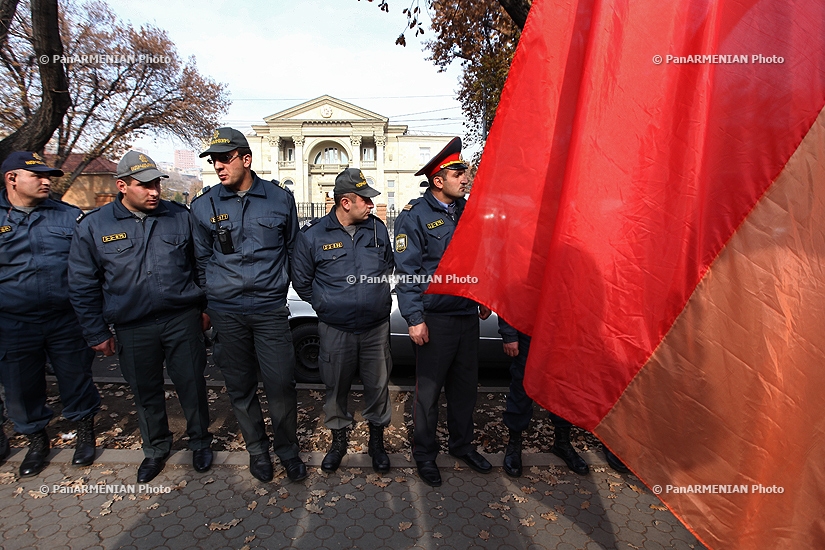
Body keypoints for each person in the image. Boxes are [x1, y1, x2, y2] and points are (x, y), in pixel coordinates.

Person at [68, 151, 212, 483]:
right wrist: (96, 332)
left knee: (192, 385)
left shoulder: (179, 216)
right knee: (145, 391)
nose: (154, 192)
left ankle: (201, 442)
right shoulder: (95, 226)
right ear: (122, 186)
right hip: (133, 326)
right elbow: (82, 283)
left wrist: (206, 309)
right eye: (143, 185)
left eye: (156, 184)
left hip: (181, 320)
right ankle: (156, 450)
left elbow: (201, 266)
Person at [190, 127, 306, 483]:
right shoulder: (203, 205)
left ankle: (287, 450)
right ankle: (258, 450)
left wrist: (279, 288)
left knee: (281, 384)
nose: (218, 166)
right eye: (213, 160)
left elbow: (292, 249)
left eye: (225, 158)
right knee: (240, 387)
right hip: (227, 313)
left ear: (246, 159)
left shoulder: (279, 199)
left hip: (269, 310)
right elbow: (200, 261)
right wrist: (214, 299)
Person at [393, 137, 492, 487]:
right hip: (434, 318)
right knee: (429, 392)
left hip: (465, 314)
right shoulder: (414, 216)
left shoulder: (468, 211)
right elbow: (407, 271)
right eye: (458, 171)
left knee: (465, 388)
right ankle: (424, 453)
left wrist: (480, 295)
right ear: (439, 180)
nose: (465, 177)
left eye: (465, 170)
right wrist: (414, 318)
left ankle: (462, 445)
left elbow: (477, 257)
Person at [0, 151, 101, 477]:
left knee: (76, 377)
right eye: (38, 176)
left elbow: (90, 266)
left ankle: (84, 434)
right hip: (13, 322)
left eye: (49, 176)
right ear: (12, 178)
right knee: (21, 385)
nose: (47, 182)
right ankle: (36, 441)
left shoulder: (67, 216)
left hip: (65, 319)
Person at [291, 168, 394, 473]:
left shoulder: (377, 230)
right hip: (336, 329)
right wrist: (326, 304)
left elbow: (387, 265)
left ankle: (377, 443)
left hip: (376, 328)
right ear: (346, 202)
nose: (372, 204)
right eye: (366, 199)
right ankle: (339, 441)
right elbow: (302, 280)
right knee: (336, 388)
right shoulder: (313, 236)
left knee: (379, 387)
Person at [497, 319, 589, 477]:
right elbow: (510, 295)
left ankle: (562, 442)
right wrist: (509, 334)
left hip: (566, 332)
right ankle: (514, 444)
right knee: (522, 388)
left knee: (564, 388)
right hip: (529, 330)